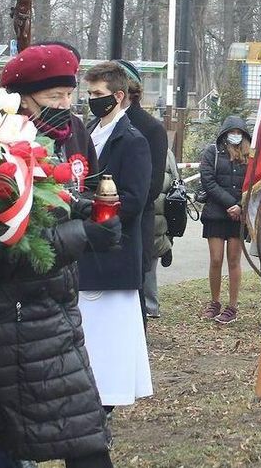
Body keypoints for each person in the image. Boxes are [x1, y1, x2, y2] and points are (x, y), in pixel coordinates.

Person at [0, 43, 117, 468]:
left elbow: (68, 192)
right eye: (54, 98)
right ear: (20, 97)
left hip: (52, 310)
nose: (65, 106)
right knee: (28, 438)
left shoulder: (72, 131)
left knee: (72, 434)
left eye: (69, 95)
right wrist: (81, 235)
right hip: (6, 320)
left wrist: (88, 212)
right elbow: (3, 243)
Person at [81, 61, 154, 408]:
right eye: (89, 93)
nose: (91, 100)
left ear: (119, 96)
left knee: (108, 344)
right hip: (85, 251)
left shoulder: (132, 140)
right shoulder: (87, 132)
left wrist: (93, 214)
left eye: (98, 94)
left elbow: (135, 199)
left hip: (114, 252)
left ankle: (106, 406)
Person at [117, 60, 169, 321]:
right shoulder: (94, 125)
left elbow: (152, 186)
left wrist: (114, 207)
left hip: (135, 225)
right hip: (102, 227)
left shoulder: (151, 128)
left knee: (133, 298)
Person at [198, 115, 251, 324]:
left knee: (234, 260)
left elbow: (253, 181)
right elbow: (208, 180)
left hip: (239, 215)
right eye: (232, 132)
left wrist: (240, 205)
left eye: (239, 133)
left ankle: (232, 306)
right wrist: (230, 203)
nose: (235, 136)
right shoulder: (213, 152)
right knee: (216, 259)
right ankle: (215, 301)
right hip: (216, 213)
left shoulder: (250, 155)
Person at [148, 149, 180, 318]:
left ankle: (150, 306)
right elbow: (176, 180)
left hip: (156, 210)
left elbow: (176, 181)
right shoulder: (165, 151)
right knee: (150, 262)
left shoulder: (166, 153)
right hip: (158, 210)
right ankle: (150, 306)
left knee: (149, 261)